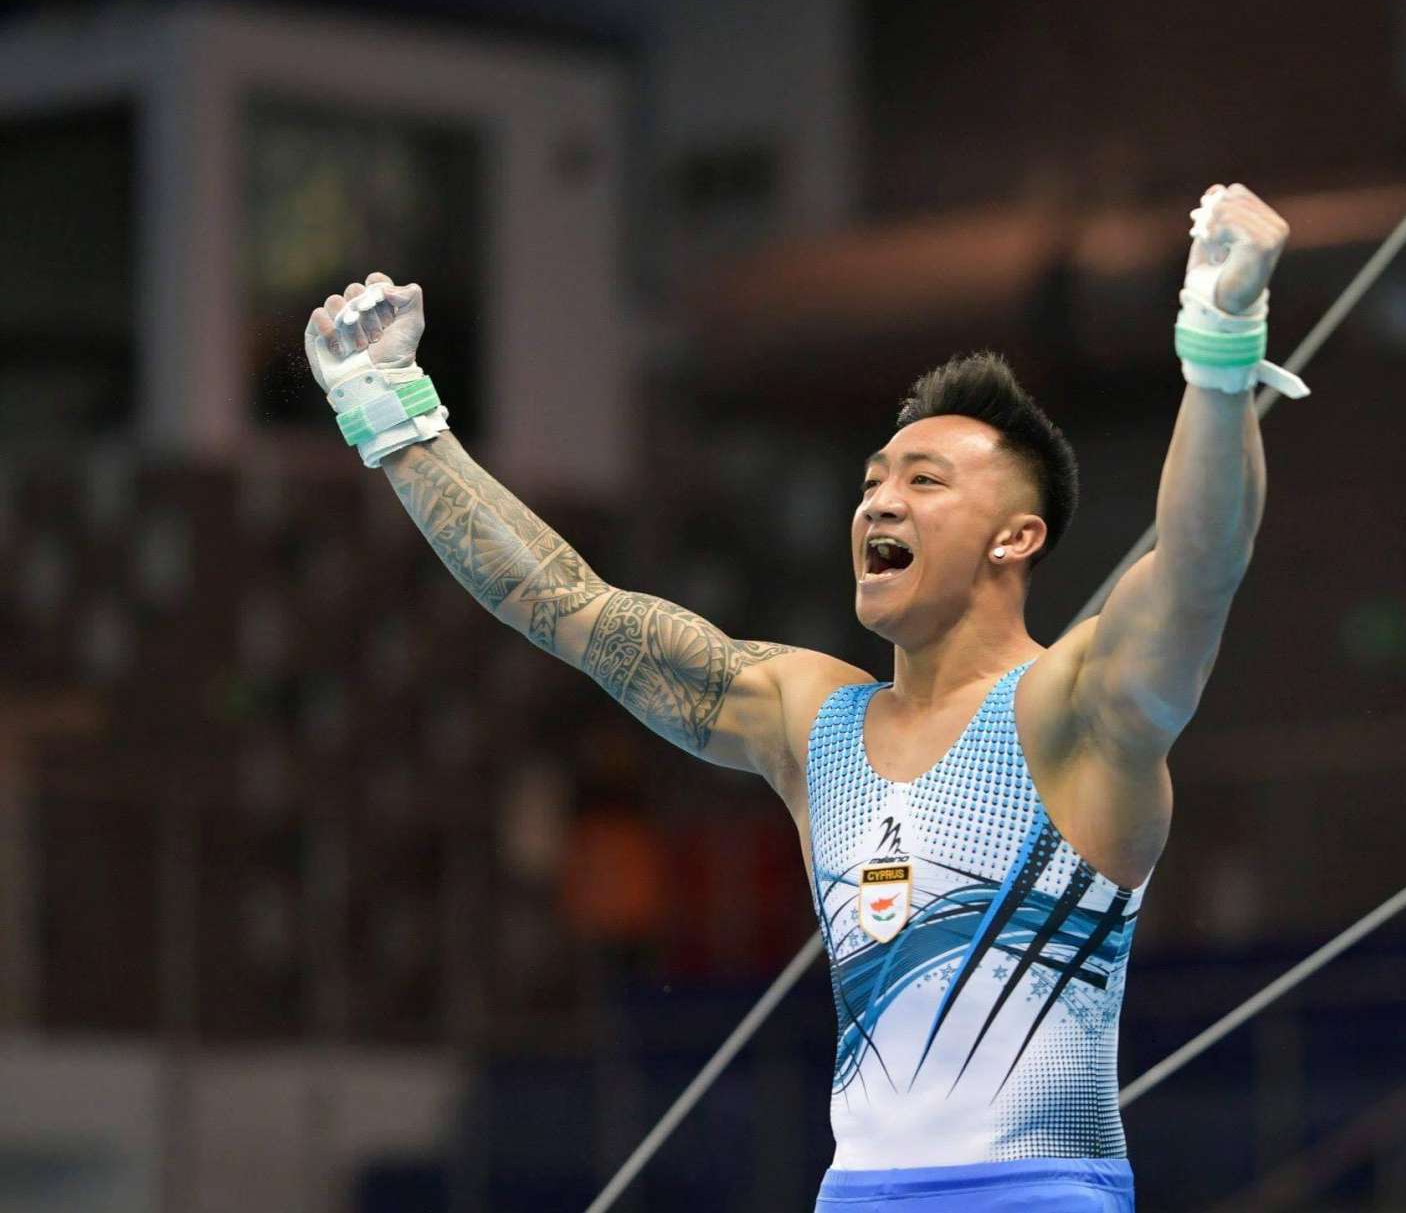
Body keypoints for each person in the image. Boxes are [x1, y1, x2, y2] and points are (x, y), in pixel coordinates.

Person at [304, 183, 1294, 1211]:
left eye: (924, 481)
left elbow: (1199, 566)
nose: (879, 501)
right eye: (872, 481)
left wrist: (1220, 349)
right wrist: (394, 414)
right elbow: (566, 606)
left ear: (1016, 537)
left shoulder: (1073, 710)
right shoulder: (811, 718)